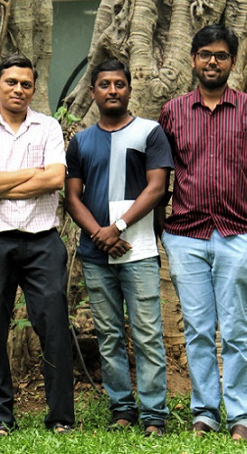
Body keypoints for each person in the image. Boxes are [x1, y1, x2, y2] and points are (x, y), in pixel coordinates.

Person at [158, 24, 247, 441]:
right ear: (193, 59)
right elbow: (158, 177)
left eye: (221, 55)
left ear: (232, 61)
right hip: (186, 237)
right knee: (197, 329)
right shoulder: (172, 112)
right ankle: (204, 413)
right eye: (204, 54)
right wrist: (166, 232)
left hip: (237, 235)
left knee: (234, 329)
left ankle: (240, 416)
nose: (212, 62)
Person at [0, 54, 75, 436]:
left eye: (26, 84)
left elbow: (55, 179)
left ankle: (60, 417)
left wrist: (4, 182)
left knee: (55, 327)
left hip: (43, 241)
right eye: (11, 82)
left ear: (33, 88)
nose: (18, 89)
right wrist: (33, 173)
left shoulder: (48, 127)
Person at [64, 59, 172, 437]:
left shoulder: (150, 133)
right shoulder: (80, 141)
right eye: (105, 84)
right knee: (108, 335)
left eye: (120, 84)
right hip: (97, 255)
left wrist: (118, 227)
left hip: (138, 250)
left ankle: (155, 414)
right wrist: (100, 234)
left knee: (146, 333)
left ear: (129, 89)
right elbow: (72, 197)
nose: (113, 90)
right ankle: (122, 409)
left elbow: (156, 188)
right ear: (92, 92)